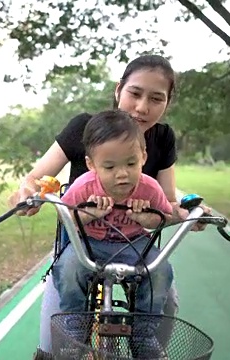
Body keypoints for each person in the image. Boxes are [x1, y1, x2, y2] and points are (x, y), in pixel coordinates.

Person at [7, 54, 212, 357]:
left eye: (156, 98)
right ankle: (68, 347)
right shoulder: (84, 127)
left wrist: (189, 214)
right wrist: (27, 194)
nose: (143, 107)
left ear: (167, 103)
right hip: (79, 244)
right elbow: (37, 179)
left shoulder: (163, 137)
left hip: (135, 242)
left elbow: (168, 205)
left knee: (166, 298)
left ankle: (148, 349)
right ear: (119, 90)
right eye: (135, 93)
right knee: (55, 338)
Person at [54, 109, 174, 359]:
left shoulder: (149, 187)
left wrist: (145, 218)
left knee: (161, 270)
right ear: (92, 165)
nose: (122, 174)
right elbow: (64, 215)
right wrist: (89, 215)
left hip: (134, 244)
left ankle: (143, 335)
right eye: (109, 166)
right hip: (91, 243)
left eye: (131, 163)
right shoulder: (85, 186)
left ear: (143, 156)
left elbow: (164, 216)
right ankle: (74, 332)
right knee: (68, 269)